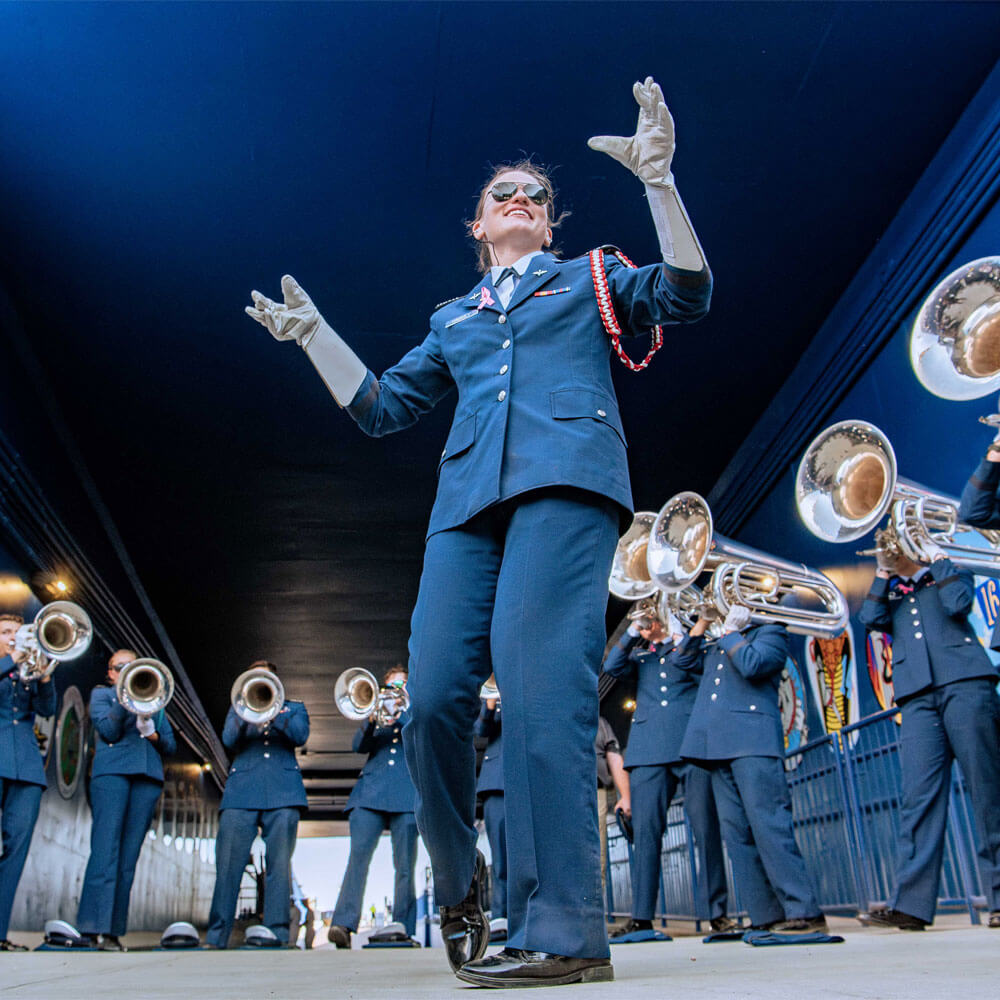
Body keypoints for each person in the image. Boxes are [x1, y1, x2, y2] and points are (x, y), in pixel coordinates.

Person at [247, 77, 712, 987]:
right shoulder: (452, 320)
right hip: (464, 510)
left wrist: (659, 182)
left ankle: (567, 933)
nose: (520, 201)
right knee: (432, 706)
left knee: (541, 700)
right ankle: (462, 884)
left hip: (566, 488)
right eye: (504, 193)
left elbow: (688, 295)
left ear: (549, 226)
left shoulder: (589, 279)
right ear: (478, 225)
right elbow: (382, 408)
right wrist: (314, 337)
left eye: (536, 197)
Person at [858, 534, 1000, 930]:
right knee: (917, 799)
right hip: (918, 697)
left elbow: (958, 604)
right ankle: (912, 906)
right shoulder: (893, 592)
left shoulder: (952, 573)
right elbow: (870, 620)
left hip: (966, 683)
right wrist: (883, 572)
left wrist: (936, 558)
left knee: (988, 791)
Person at [678, 610, 826, 934]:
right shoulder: (717, 642)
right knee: (737, 835)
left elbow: (753, 665)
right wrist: (703, 623)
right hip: (716, 746)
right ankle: (765, 915)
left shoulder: (772, 632)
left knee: (769, 826)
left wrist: (730, 632)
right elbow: (682, 663)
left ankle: (804, 910)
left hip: (753, 741)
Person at [602, 604, 732, 939]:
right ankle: (641, 916)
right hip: (648, 751)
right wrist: (633, 631)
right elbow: (612, 667)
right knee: (645, 834)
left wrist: (678, 632)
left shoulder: (689, 646)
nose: (652, 622)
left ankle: (717, 914)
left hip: (690, 744)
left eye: (655, 617)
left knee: (706, 828)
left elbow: (696, 665)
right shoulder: (641, 658)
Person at [76, 648, 176, 950]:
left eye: (133, 667)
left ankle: (113, 931)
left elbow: (169, 746)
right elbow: (107, 730)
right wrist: (124, 700)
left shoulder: (156, 701)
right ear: (110, 673)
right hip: (112, 775)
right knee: (105, 850)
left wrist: (152, 731)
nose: (127, 671)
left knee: (128, 858)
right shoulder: (102, 695)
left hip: (146, 778)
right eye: (120, 667)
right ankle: (91, 927)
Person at [206, 660, 309, 948]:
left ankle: (276, 933)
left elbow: (301, 736)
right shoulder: (238, 706)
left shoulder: (294, 707)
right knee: (228, 864)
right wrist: (245, 710)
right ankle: (217, 935)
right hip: (242, 793)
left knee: (279, 864)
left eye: (265, 677)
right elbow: (228, 739)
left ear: (276, 681)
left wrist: (275, 709)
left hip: (283, 792)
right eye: (255, 677)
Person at [328, 665, 418, 948]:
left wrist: (402, 710)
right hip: (370, 794)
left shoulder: (414, 712)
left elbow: (422, 736)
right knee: (358, 859)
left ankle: (403, 924)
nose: (394, 692)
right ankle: (343, 923)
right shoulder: (376, 717)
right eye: (390, 687)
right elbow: (358, 745)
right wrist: (372, 718)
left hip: (405, 793)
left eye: (400, 686)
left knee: (404, 865)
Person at [0, 613, 57, 951]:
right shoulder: (10, 664)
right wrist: (12, 659)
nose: (12, 637)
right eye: (6, 632)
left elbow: (48, 710)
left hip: (26, 768)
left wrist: (46, 676)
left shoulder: (29, 670)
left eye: (18, 633)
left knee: (16, 852)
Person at [474, 683, 507, 936]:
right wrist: (490, 705)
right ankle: (501, 916)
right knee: (501, 855)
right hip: (496, 781)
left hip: (530, 774)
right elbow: (481, 730)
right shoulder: (491, 700)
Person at [594, 715, 630, 895]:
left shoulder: (599, 721)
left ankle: (594, 913)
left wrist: (625, 796)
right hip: (559, 792)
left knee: (596, 851)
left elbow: (613, 755)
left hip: (595, 790)